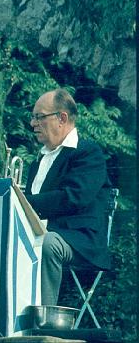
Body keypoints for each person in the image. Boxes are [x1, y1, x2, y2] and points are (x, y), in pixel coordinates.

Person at [24, 88, 111, 306]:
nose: (33, 123)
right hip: (42, 234)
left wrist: (22, 203)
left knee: (48, 242)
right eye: (33, 117)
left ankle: (43, 320)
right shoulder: (38, 161)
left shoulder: (88, 152)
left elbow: (73, 197)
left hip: (79, 239)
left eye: (39, 117)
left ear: (62, 118)